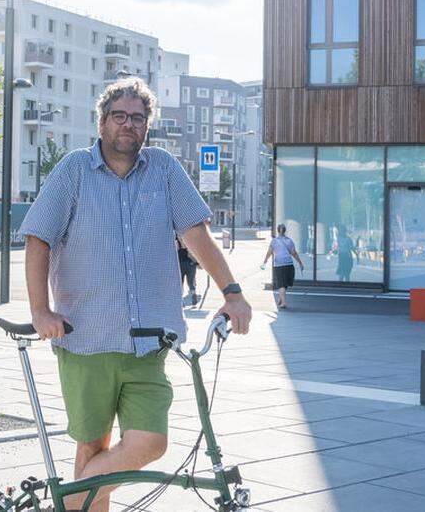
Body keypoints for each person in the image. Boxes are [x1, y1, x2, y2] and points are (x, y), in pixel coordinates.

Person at [19, 78, 253, 512]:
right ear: (102, 122)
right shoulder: (73, 170)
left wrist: (233, 292)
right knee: (92, 447)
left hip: (149, 342)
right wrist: (39, 310)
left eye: (138, 117)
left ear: (148, 125)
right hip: (86, 338)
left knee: (151, 442)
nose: (129, 124)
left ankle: (63, 504)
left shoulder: (163, 168)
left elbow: (196, 234)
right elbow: (38, 239)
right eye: (119, 116)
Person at [261, 225, 303, 309]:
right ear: (285, 231)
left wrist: (264, 262)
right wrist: (300, 263)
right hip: (289, 264)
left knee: (281, 284)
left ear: (277, 231)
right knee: (284, 284)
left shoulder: (274, 241)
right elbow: (294, 253)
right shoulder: (289, 240)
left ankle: (283, 303)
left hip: (279, 265)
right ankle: (281, 298)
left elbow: (269, 252)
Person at [177, 237, 199, 304]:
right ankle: (193, 293)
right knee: (191, 281)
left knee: (180, 283)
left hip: (180, 264)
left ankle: (181, 301)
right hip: (191, 264)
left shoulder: (177, 242)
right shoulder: (190, 240)